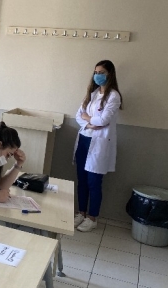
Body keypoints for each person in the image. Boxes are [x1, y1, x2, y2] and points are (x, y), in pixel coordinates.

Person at [73, 60, 122, 232]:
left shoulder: (114, 96)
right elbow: (78, 116)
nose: (97, 76)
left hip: (99, 143)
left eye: (101, 72)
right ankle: (81, 213)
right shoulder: (92, 94)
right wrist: (89, 123)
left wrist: (87, 118)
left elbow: (103, 120)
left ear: (110, 74)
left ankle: (92, 217)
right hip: (84, 140)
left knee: (93, 182)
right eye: (95, 72)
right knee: (82, 181)